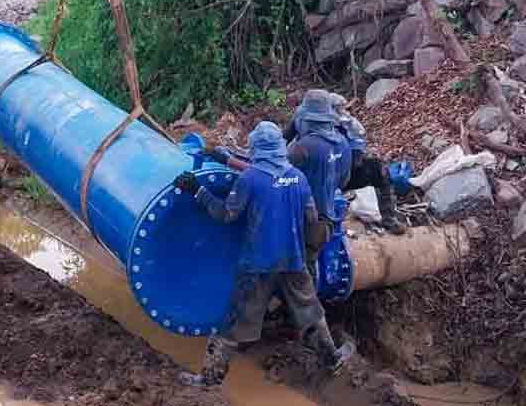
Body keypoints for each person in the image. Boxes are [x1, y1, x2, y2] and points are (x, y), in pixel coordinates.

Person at [174, 121, 353, 388]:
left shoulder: (250, 179)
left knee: (235, 323)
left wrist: (198, 191)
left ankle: (209, 379)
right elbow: (311, 220)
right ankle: (331, 359)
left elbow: (226, 214)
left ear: (256, 147)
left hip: (258, 263)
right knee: (310, 312)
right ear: (280, 148)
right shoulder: (298, 177)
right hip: (293, 260)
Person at [286, 90, 406, 235]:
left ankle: (389, 218)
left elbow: (357, 144)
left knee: (379, 171)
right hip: (311, 169)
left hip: (341, 168)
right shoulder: (300, 121)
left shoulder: (346, 123)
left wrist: (353, 154)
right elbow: (285, 138)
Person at [285, 91, 352, 270]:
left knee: (302, 275)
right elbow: (344, 182)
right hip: (328, 219)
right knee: (309, 269)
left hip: (303, 221)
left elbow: (276, 176)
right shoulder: (343, 143)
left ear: (305, 119)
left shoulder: (302, 148)